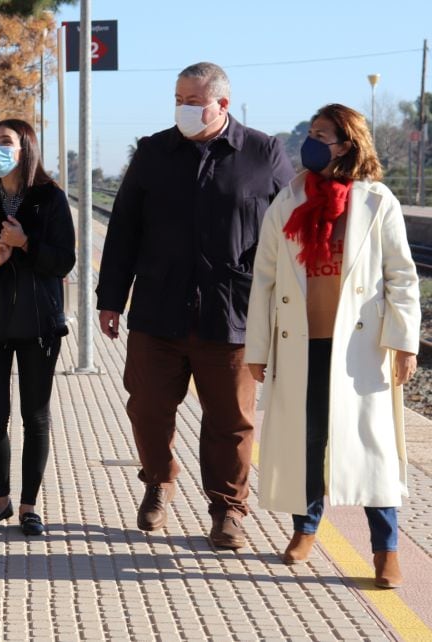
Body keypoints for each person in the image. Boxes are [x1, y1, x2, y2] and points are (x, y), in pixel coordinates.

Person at [95, 62, 295, 549]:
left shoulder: (263, 152)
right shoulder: (153, 152)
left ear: (222, 104)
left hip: (233, 314)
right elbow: (123, 229)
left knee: (231, 420)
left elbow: (290, 228)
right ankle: (158, 482)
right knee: (146, 407)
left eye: (193, 100)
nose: (183, 108)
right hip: (158, 310)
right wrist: (110, 299)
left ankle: (227, 508)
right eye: (178, 99)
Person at [245, 104, 420, 587]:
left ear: (346, 144)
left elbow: (401, 277)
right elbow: (264, 278)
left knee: (372, 446)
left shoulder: (376, 200)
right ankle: (306, 528)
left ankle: (386, 550)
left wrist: (404, 343)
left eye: (322, 134)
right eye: (312, 132)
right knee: (309, 441)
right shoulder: (290, 197)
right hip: (300, 345)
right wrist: (258, 349)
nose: (311, 140)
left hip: (360, 349)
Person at [0, 118, 75, 536]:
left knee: (34, 416)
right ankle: (0, 500)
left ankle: (28, 506)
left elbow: (64, 261)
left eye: (5, 141)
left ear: (25, 148)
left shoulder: (50, 199)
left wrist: (27, 245)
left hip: (38, 323)